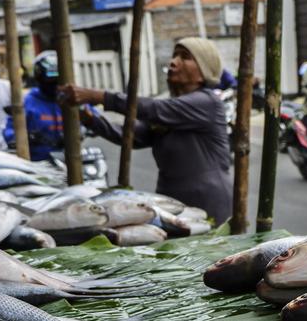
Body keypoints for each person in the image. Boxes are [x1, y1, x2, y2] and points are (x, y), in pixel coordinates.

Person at [61, 37, 232, 223]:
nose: (173, 62)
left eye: (185, 57)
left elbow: (153, 109)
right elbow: (131, 136)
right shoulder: (172, 109)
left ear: (203, 71)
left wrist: (97, 96)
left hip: (208, 200)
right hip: (171, 199)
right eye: (174, 55)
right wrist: (89, 118)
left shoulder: (207, 102)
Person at [3, 51, 65, 162]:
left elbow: (91, 115)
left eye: (57, 82)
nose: (54, 87)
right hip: (39, 163)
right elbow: (9, 131)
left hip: (70, 158)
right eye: (49, 83)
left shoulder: (70, 97)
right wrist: (27, 137)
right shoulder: (28, 102)